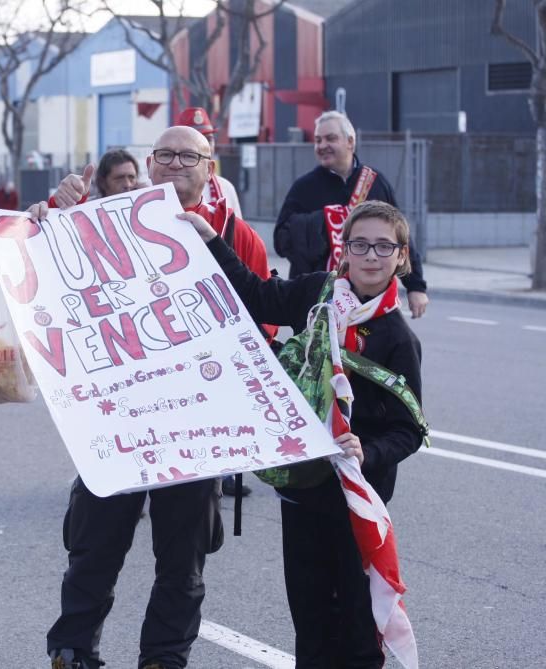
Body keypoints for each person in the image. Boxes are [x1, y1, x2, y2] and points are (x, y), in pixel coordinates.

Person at [35, 126, 272, 669]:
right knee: (94, 547)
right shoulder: (104, 225)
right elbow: (40, 268)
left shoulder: (237, 237)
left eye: (189, 156)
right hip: (118, 423)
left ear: (209, 169)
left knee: (183, 562)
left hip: (198, 427)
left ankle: (164, 658)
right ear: (149, 165)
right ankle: (73, 651)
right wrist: (49, 211)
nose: (174, 164)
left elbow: (265, 317)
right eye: (163, 155)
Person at [185, 199, 423, 669]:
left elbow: (408, 429)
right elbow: (256, 294)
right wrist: (210, 239)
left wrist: (368, 451)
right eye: (360, 244)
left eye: (383, 246)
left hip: (358, 499)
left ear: (402, 256)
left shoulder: (398, 338)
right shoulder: (318, 293)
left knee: (357, 625)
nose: (371, 256)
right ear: (344, 251)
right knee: (310, 619)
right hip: (302, 489)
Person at [274, 110, 429, 318]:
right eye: (318, 140)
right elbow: (281, 240)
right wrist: (324, 223)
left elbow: (401, 237)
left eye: (330, 138)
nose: (322, 146)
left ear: (350, 141)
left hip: (369, 300)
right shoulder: (304, 187)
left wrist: (416, 286)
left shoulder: (375, 183)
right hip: (318, 301)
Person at [174, 107, 242, 217]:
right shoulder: (159, 187)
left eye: (209, 139)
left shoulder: (226, 187)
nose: (206, 145)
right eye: (198, 139)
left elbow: (236, 231)